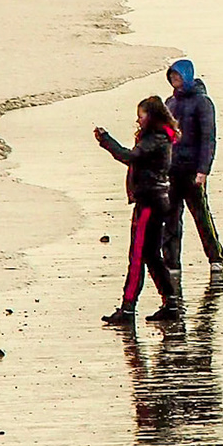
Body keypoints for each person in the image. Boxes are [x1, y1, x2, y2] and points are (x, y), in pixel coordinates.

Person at [96, 95, 184, 325]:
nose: (138, 119)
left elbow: (129, 157)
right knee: (151, 256)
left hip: (149, 202)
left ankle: (127, 308)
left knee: (138, 255)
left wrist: (106, 140)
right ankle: (171, 303)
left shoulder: (155, 139)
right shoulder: (161, 137)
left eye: (142, 115)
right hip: (157, 200)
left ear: (152, 115)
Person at [161, 60, 223, 289]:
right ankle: (171, 262)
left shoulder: (202, 102)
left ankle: (216, 258)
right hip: (172, 170)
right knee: (171, 218)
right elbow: (165, 136)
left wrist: (203, 170)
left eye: (177, 76)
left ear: (187, 76)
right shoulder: (170, 102)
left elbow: (208, 138)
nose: (174, 80)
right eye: (172, 77)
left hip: (192, 170)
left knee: (201, 216)